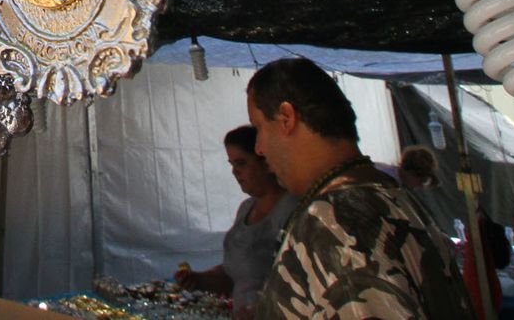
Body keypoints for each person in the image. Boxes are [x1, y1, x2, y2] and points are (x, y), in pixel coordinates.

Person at [245, 57, 472, 318]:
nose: (259, 147)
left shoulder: (334, 222)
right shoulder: (389, 197)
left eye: (259, 127)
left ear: (286, 117)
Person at [175, 125, 297, 317]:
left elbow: (300, 283)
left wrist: (263, 312)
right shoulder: (246, 209)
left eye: (241, 163)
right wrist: (199, 280)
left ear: (266, 162)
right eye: (232, 164)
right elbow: (237, 275)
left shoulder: (292, 209)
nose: (235, 172)